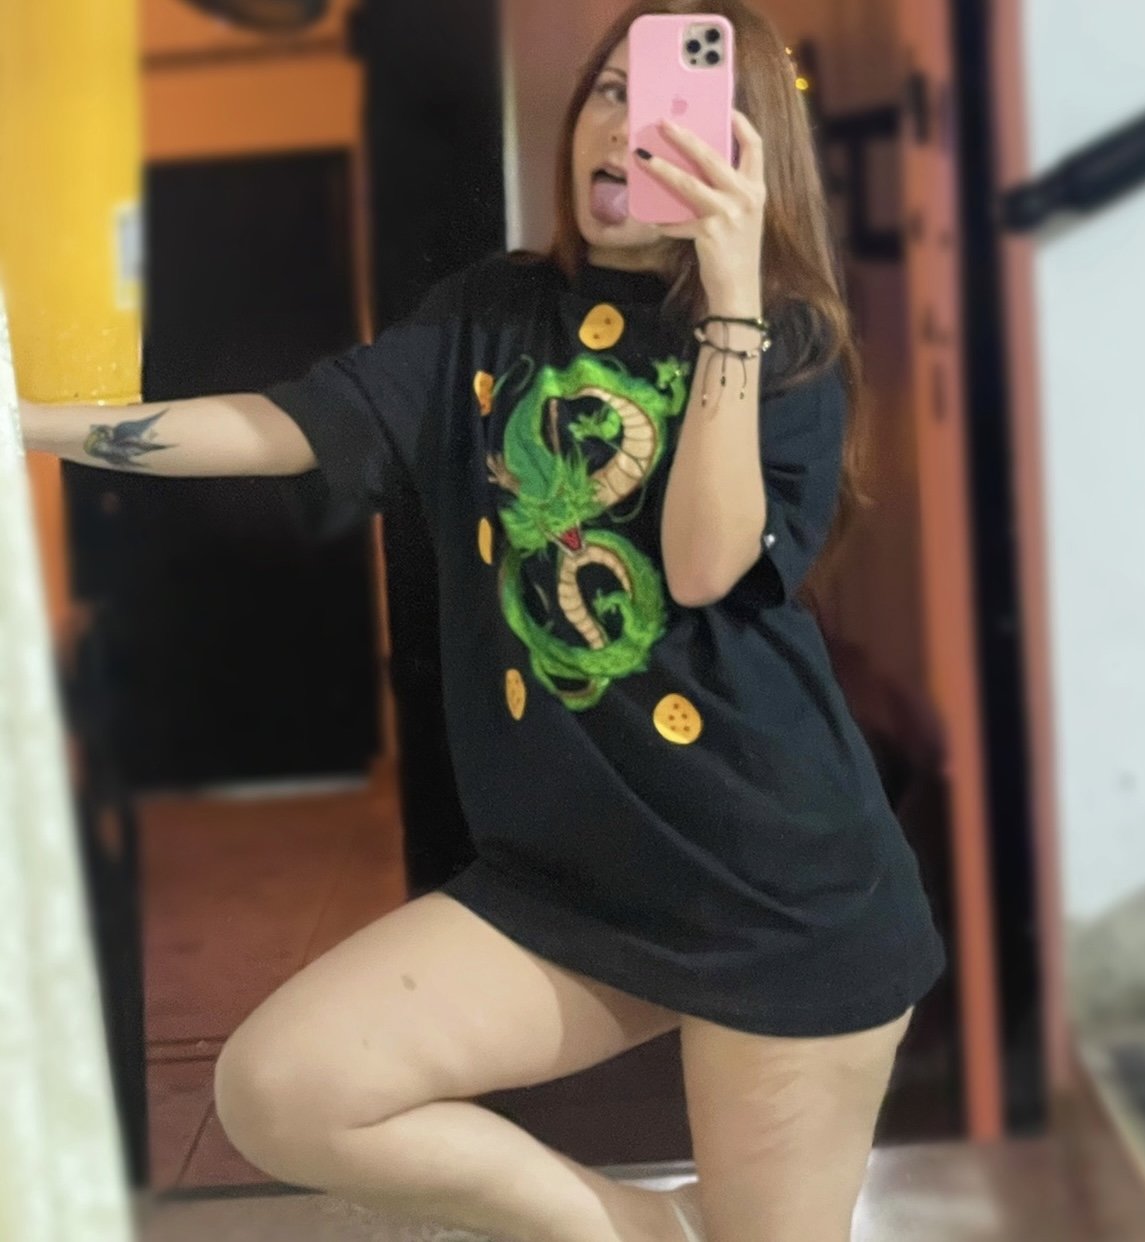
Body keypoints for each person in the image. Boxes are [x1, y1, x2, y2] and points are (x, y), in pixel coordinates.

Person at [20, 1, 947, 1237]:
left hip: (778, 889)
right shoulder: (491, 314)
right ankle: (649, 1231)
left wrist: (732, 300)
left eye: (669, 104)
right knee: (286, 1089)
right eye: (609, 91)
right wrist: (26, 426)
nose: (627, 125)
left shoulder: (784, 344)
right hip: (578, 883)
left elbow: (704, 564)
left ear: (745, 154)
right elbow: (288, 426)